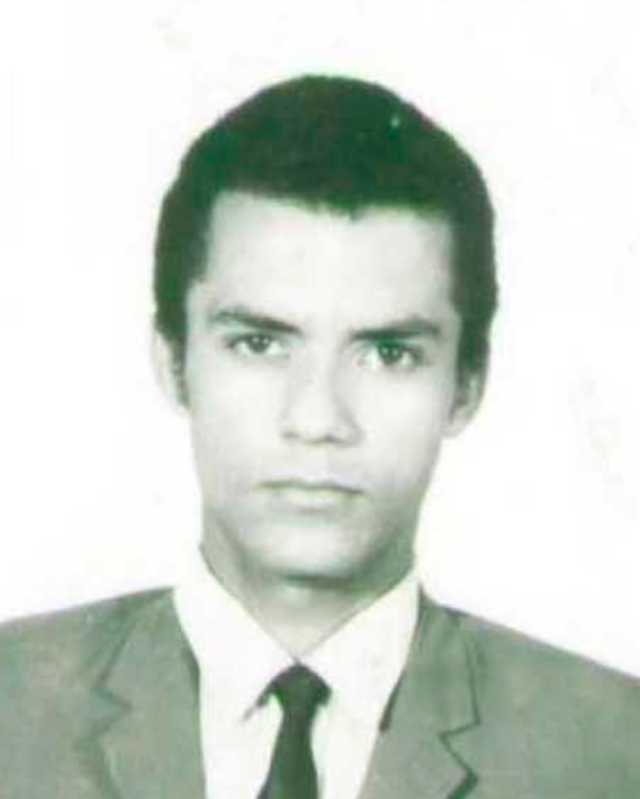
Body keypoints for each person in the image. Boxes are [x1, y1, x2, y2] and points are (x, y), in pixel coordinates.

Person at [0, 75, 638, 799]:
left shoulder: (618, 751)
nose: (317, 418)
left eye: (388, 353)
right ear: (174, 363)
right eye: (260, 343)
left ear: (466, 384)